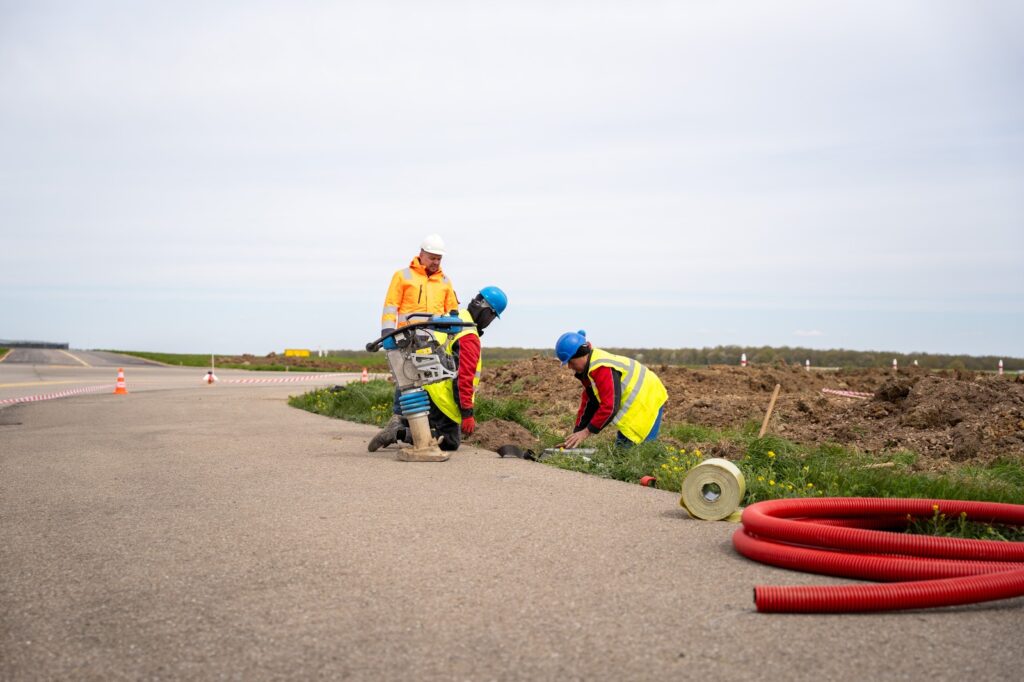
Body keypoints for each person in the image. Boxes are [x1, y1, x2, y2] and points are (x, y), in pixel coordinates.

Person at [369, 286, 508, 452]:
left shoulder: (453, 319)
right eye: (492, 316)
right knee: (450, 440)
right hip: (440, 397)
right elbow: (464, 378)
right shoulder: (469, 336)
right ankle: (401, 433)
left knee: (436, 425)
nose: (490, 321)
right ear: (487, 312)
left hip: (425, 385)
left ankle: (403, 422)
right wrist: (467, 414)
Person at [369, 234, 460, 448]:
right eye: (432, 258)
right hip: (406, 339)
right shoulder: (403, 276)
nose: (436, 262)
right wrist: (388, 333)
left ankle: (418, 425)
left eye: (439, 258)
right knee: (407, 378)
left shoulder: (445, 281)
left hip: (432, 339)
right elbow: (390, 306)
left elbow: (451, 311)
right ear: (421, 254)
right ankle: (398, 420)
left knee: (430, 380)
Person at [553, 329, 668, 449]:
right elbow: (590, 402)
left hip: (649, 396)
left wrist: (586, 432)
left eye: (571, 362)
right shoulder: (590, 368)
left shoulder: (601, 368)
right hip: (637, 400)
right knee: (622, 452)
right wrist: (576, 434)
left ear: (581, 354)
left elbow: (609, 407)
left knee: (642, 450)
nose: (569, 367)